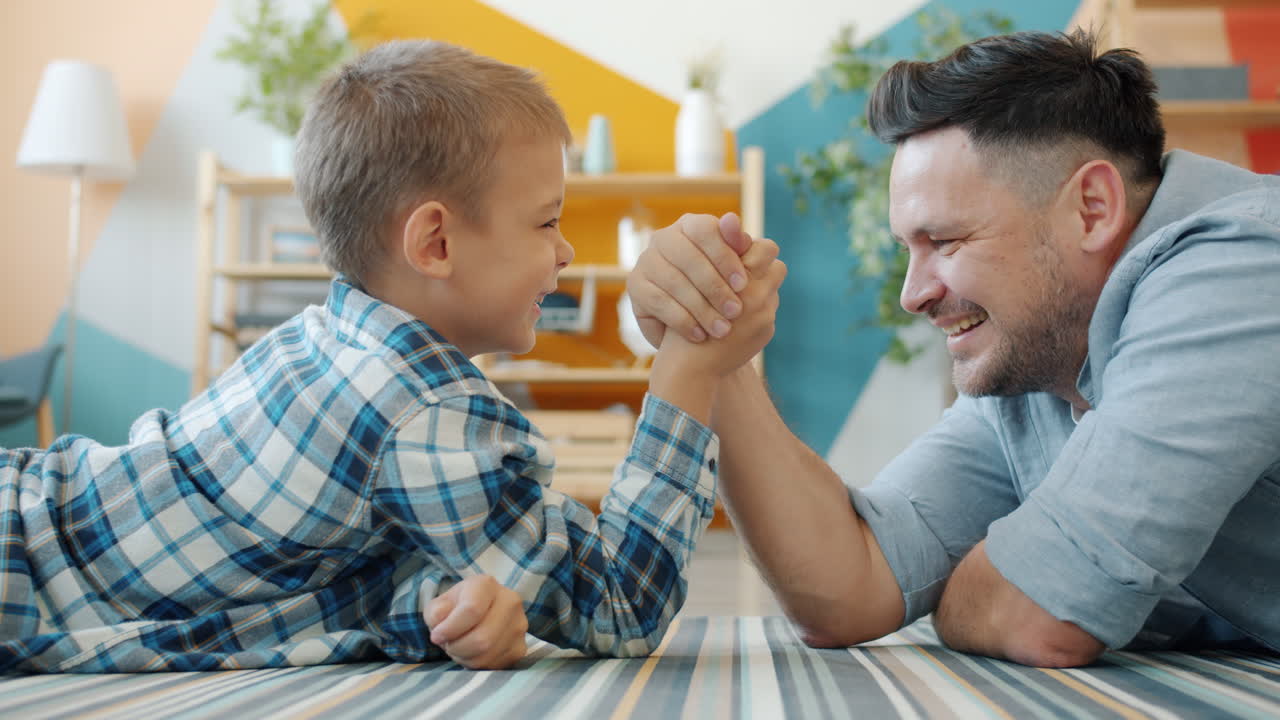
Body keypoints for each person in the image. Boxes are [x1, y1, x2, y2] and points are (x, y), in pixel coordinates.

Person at [0, 40, 786, 673]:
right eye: (546, 222)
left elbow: (308, 581)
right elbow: (621, 604)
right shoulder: (427, 413)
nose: (566, 252)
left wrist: (445, 604)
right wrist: (688, 368)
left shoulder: (329, 338)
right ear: (436, 242)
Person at [627, 29, 1280, 667]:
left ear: (1091, 207)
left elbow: (1040, 616)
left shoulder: (1241, 266)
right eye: (908, 249)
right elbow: (848, 588)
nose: (913, 295)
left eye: (945, 241)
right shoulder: (1038, 362)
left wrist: (992, 585)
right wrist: (714, 343)